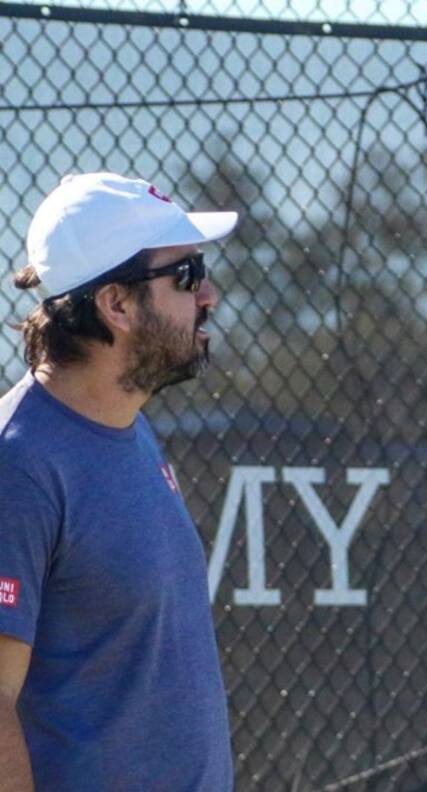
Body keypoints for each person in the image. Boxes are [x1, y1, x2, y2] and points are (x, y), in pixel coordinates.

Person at [0, 172, 238, 790]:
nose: (208, 293)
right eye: (186, 275)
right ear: (117, 304)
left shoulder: (128, 426)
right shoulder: (17, 461)